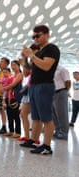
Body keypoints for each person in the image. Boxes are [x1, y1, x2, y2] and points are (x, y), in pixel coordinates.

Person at [21, 25, 60, 155]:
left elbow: (46, 66)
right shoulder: (39, 52)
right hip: (34, 85)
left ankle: (47, 146)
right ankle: (33, 139)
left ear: (47, 34)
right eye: (34, 36)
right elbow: (27, 72)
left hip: (45, 85)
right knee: (36, 116)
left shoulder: (52, 49)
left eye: (38, 35)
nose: (35, 38)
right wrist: (25, 58)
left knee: (46, 117)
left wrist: (31, 55)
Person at [18, 44, 40, 142]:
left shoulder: (40, 58)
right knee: (23, 114)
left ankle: (36, 138)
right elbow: (26, 73)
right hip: (29, 88)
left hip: (38, 87)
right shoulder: (32, 60)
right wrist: (24, 60)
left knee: (37, 116)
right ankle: (27, 136)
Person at [1, 61, 23, 138]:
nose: (13, 67)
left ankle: (18, 132)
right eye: (12, 65)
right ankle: (11, 131)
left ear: (18, 66)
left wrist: (4, 88)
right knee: (9, 115)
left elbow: (14, 84)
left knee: (16, 115)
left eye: (15, 65)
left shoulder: (20, 75)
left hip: (15, 98)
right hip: (9, 97)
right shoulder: (13, 76)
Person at [52, 65, 71, 140]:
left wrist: (65, 91)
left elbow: (68, 82)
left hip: (61, 91)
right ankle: (57, 131)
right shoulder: (51, 69)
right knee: (54, 114)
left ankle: (64, 133)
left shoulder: (62, 69)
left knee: (62, 113)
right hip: (53, 92)